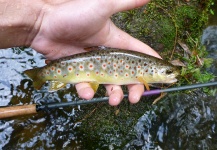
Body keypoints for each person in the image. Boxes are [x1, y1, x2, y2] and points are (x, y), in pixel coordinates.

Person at [0, 0, 161, 106]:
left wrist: (40, 23)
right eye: (167, 72)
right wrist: (40, 22)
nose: (170, 75)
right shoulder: (142, 75)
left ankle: (42, 75)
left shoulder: (143, 71)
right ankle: (40, 75)